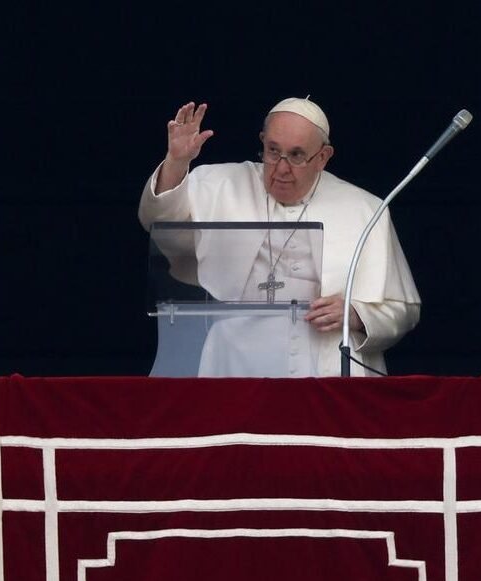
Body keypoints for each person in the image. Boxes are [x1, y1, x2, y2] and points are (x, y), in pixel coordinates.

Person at [138, 97, 420, 377]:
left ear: (323, 157)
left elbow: (402, 309)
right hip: (234, 362)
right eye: (273, 151)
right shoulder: (221, 184)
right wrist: (176, 162)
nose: (281, 168)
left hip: (326, 364)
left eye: (296, 155)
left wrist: (357, 315)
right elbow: (161, 225)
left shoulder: (364, 209)